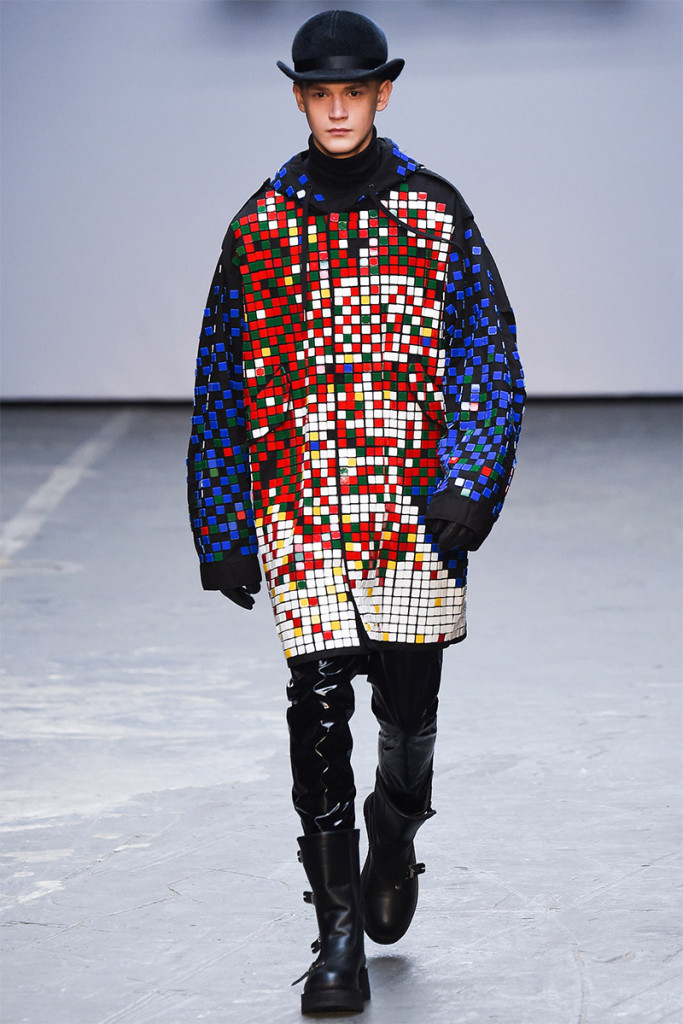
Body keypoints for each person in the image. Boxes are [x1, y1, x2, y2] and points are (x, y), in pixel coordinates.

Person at [187, 9, 524, 1016]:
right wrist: (223, 526)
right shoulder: (261, 223)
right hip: (301, 510)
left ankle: (398, 825)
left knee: (407, 717)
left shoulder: (433, 210)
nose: (337, 110)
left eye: (353, 92)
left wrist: (469, 481)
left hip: (411, 511)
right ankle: (336, 933)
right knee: (318, 708)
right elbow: (221, 383)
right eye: (320, 94)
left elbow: (487, 355)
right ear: (298, 99)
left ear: (382, 94)